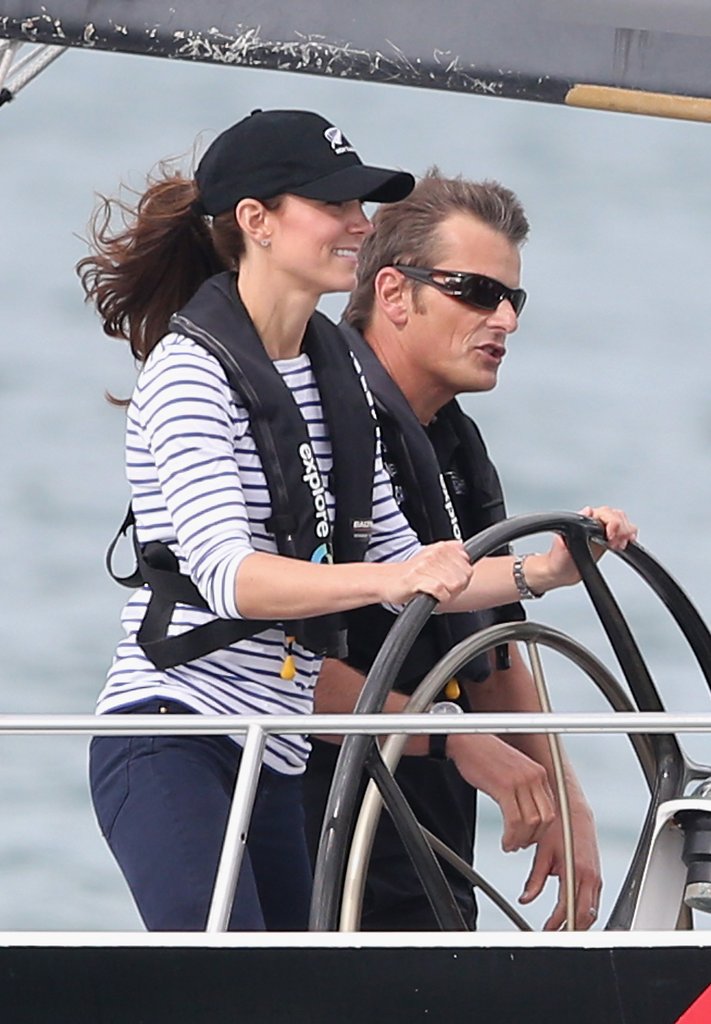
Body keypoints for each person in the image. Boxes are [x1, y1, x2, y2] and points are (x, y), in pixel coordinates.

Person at [78, 111, 635, 934]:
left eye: (361, 207)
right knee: (220, 984)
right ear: (257, 221)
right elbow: (230, 578)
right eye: (334, 205)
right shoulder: (189, 373)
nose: (359, 225)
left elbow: (420, 568)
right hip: (175, 736)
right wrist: (393, 578)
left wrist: (544, 570)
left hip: (272, 748)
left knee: (289, 993)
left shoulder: (329, 374)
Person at [304, 171, 620, 932]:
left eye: (512, 298)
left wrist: (566, 799)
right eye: (476, 292)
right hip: (312, 810)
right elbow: (273, 666)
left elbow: (492, 650)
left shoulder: (454, 440)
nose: (503, 319)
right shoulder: (313, 423)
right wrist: (455, 739)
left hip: (427, 819)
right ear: (393, 293)